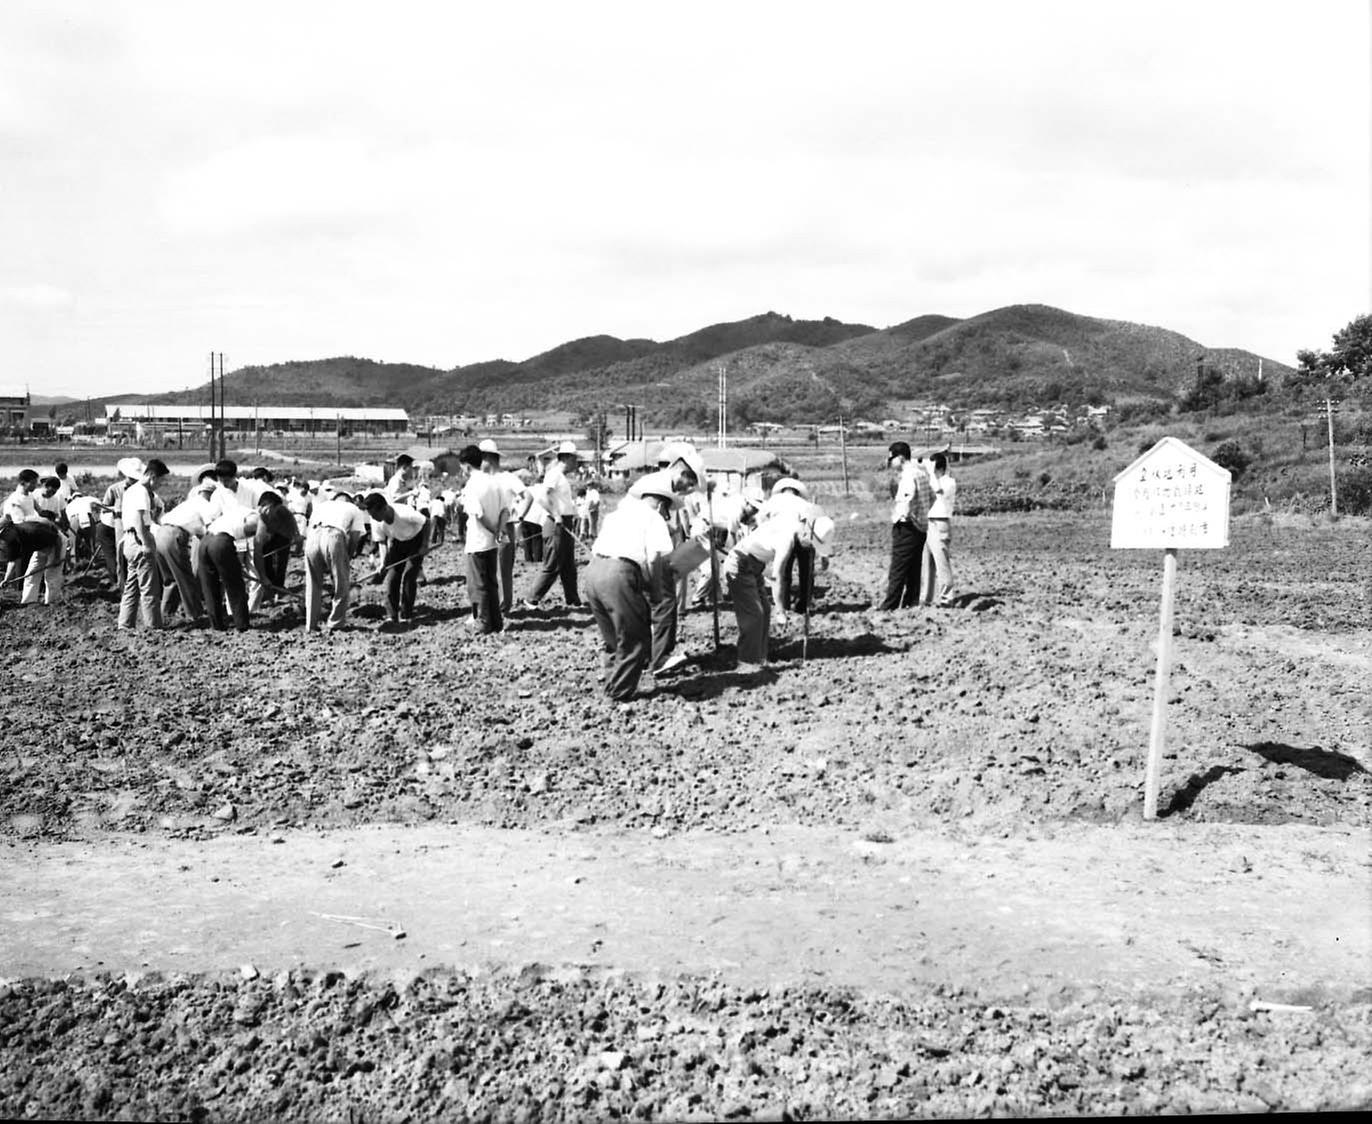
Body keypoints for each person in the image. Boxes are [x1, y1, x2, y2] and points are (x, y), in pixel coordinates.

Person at [584, 475, 676, 702]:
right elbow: (654, 559)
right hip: (619, 575)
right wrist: (655, 591)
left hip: (593, 573)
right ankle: (618, 693)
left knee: (613, 636)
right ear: (662, 504)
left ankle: (609, 680)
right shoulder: (654, 519)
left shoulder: (616, 515)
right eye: (667, 511)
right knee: (636, 638)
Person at [722, 504, 833, 670]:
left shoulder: (796, 523)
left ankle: (760, 657)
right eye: (811, 542)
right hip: (739, 564)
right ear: (806, 532)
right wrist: (781, 610)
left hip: (755, 565)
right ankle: (747, 663)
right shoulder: (786, 540)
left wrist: (823, 555)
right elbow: (777, 576)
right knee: (754, 615)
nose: (810, 547)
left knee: (765, 610)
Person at [152, 470, 218, 625]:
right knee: (186, 578)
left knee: (170, 579)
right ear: (210, 494)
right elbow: (208, 530)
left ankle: (165, 614)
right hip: (173, 536)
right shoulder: (204, 505)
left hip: (160, 535)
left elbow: (199, 533)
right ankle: (196, 616)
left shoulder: (189, 503)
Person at [521, 442, 582, 610]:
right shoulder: (554, 474)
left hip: (565, 521)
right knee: (552, 564)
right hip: (556, 523)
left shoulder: (562, 477)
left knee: (569, 564)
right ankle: (531, 599)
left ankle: (573, 599)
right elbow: (542, 497)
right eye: (575, 459)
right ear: (568, 458)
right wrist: (556, 515)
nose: (577, 463)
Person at [458, 444, 508, 634]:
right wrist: (499, 532)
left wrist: (494, 530)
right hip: (492, 542)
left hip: (478, 541)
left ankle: (483, 623)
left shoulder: (472, 485)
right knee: (491, 582)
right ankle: (496, 621)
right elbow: (505, 510)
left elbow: (478, 515)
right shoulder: (494, 481)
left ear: (466, 465)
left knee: (478, 584)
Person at [879, 441, 934, 611]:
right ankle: (911, 602)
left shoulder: (908, 476)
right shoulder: (921, 473)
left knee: (898, 568)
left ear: (901, 457)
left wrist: (901, 517)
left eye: (892, 459)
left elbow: (906, 502)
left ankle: (890, 605)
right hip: (921, 527)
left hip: (907, 526)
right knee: (913, 568)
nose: (891, 464)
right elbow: (932, 497)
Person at [361, 490, 429, 628]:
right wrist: (383, 563)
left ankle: (406, 614)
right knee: (392, 577)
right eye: (371, 515)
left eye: (375, 514)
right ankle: (392, 615)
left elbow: (426, 522)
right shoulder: (376, 522)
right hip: (397, 542)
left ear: (384, 508)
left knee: (409, 576)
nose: (373, 518)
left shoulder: (404, 513)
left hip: (415, 540)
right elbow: (382, 542)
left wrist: (424, 545)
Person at [304, 488, 367, 633]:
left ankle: (311, 625)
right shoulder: (354, 509)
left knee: (313, 584)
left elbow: (309, 528)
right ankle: (335, 623)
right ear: (349, 500)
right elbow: (355, 537)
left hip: (313, 536)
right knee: (342, 584)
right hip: (334, 535)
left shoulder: (322, 505)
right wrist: (348, 557)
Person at [118, 458, 169, 630]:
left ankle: (124, 625)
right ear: (152, 476)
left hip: (129, 541)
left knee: (131, 587)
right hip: (140, 540)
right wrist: (147, 544)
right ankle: (153, 627)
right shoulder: (141, 492)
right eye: (160, 481)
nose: (160, 485)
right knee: (149, 588)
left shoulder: (132, 490)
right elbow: (140, 521)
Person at [478, 439, 528, 616]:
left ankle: (502, 607)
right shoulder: (483, 479)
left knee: (501, 569)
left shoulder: (507, 478)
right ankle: (493, 606)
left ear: (488, 459)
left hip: (504, 527)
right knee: (487, 569)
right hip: (486, 528)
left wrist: (519, 517)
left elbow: (527, 496)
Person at [757, 477, 816, 622]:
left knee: (783, 571)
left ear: (782, 490)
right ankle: (804, 604)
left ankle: (785, 604)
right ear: (796, 492)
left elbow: (761, 518)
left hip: (781, 537)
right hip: (801, 536)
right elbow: (811, 523)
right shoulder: (804, 503)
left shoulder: (773, 501)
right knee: (805, 573)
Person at [921, 452, 958, 607]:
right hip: (929, 522)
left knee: (941, 561)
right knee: (927, 563)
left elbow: (939, 493)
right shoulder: (933, 480)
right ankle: (926, 597)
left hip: (940, 523)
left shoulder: (949, 482)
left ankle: (947, 597)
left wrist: (930, 472)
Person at [0, 517, 63, 608]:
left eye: (3, 535)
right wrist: (7, 579)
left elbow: (57, 539)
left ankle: (52, 603)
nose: (2, 538)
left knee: (51, 575)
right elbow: (13, 561)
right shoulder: (10, 540)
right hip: (40, 549)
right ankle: (28, 603)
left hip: (56, 545)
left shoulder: (31, 530)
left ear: (9, 528)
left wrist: (57, 557)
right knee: (30, 574)